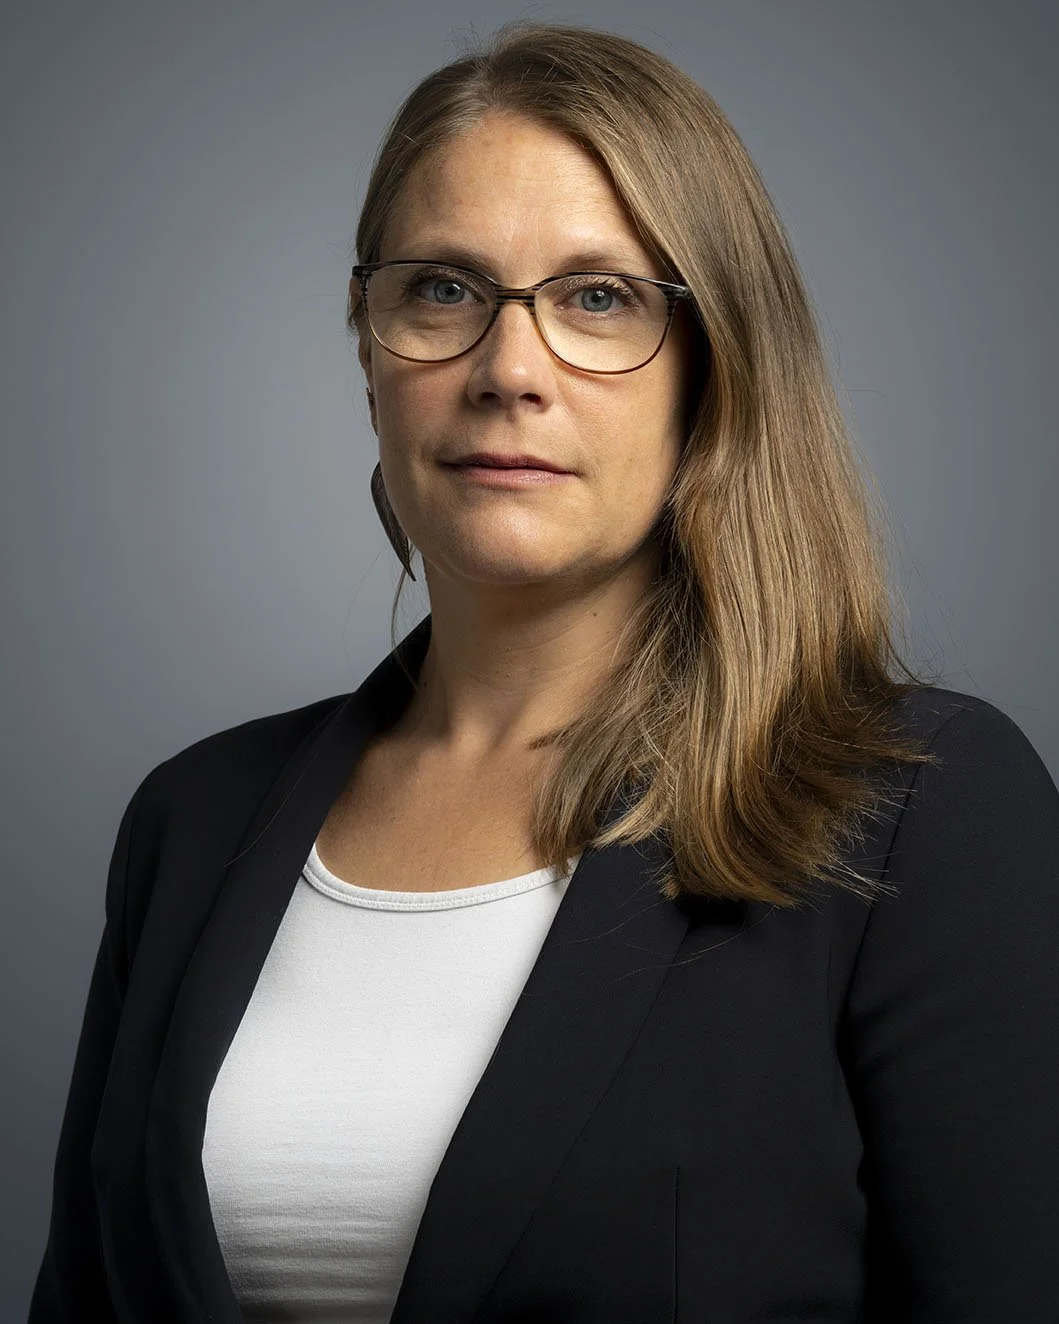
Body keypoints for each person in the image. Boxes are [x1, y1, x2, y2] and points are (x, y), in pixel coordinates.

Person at [29, 21, 1059, 1324]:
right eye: (443, 291)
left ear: (713, 370)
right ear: (368, 347)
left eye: (598, 299)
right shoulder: (191, 821)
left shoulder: (921, 806)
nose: (509, 371)